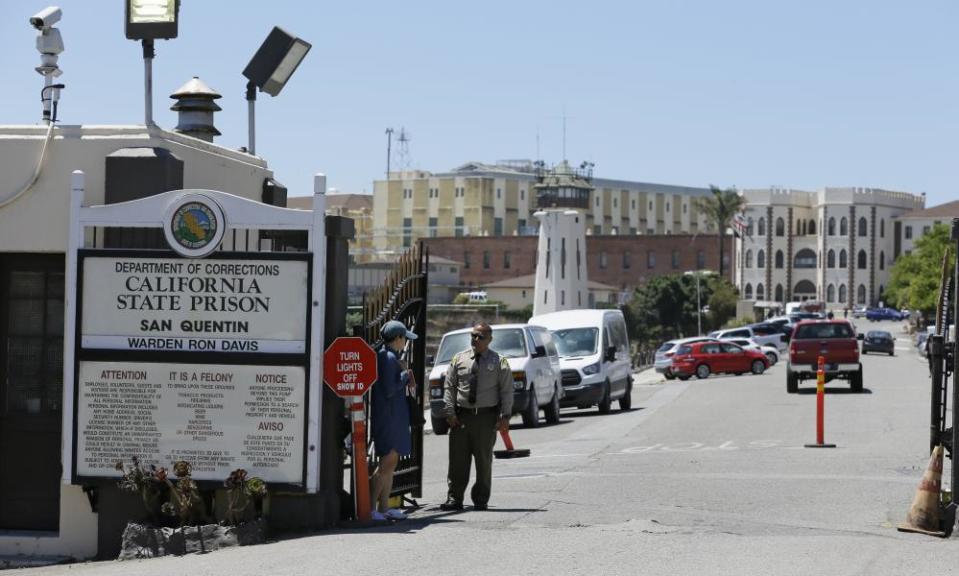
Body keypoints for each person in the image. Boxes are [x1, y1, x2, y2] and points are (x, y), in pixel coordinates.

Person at [440, 322, 513, 511]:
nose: (476, 340)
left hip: (486, 418)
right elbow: (449, 386)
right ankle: (454, 498)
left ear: (489, 339)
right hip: (461, 417)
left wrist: (505, 416)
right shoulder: (459, 359)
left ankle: (480, 499)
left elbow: (506, 391)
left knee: (483, 461)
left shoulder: (499, 361)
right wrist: (449, 411)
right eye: (473, 335)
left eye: (481, 337)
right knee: (457, 461)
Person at [370, 320, 418, 521]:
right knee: (386, 463)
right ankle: (371, 507)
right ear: (397, 338)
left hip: (394, 417)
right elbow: (390, 389)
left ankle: (384, 507)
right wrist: (405, 375)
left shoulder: (389, 357)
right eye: (403, 337)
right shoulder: (387, 358)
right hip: (388, 417)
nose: (404, 341)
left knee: (390, 463)